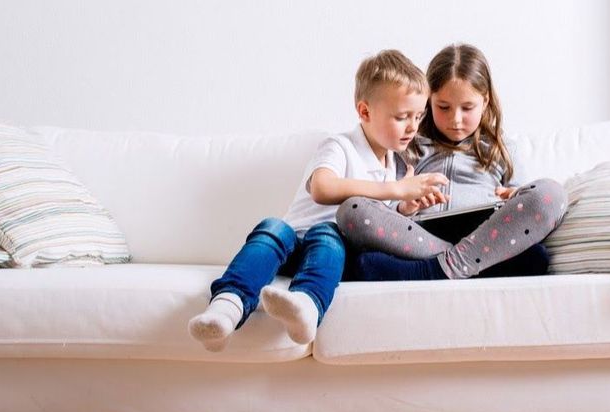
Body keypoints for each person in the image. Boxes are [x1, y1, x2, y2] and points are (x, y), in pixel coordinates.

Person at [188, 50, 448, 351]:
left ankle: (306, 306)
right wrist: (395, 190)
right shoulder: (339, 146)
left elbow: (374, 223)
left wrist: (404, 208)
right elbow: (322, 188)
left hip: (327, 254)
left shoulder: (395, 165)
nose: (412, 127)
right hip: (290, 245)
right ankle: (226, 308)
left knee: (328, 233)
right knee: (273, 226)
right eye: (401, 117)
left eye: (418, 116)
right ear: (364, 112)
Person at [335, 43, 567, 281]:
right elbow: (385, 207)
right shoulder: (409, 146)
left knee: (552, 194)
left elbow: (527, 204)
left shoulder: (503, 149)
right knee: (351, 210)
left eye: (467, 108)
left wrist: (513, 195)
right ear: (428, 102)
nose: (455, 119)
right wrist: (404, 206)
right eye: (443, 107)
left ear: (485, 101)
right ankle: (457, 264)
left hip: (487, 237)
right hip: (421, 238)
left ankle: (435, 269)